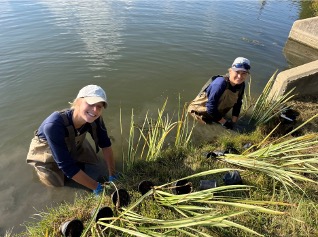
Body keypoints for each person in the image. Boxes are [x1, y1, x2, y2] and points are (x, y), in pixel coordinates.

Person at [26, 85, 116, 195]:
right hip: (46, 153)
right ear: (78, 102)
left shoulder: (95, 118)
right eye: (91, 104)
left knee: (94, 165)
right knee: (57, 184)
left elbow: (105, 145)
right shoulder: (53, 125)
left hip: (74, 144)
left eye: (99, 106)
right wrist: (96, 187)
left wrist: (112, 175)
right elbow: (67, 167)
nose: (95, 110)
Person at [188, 57, 251, 129]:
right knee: (209, 129)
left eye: (243, 73)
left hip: (215, 112)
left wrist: (234, 122)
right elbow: (211, 107)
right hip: (199, 112)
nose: (239, 76)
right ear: (230, 71)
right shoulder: (220, 83)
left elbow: (238, 103)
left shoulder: (241, 84)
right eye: (237, 72)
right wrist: (225, 123)